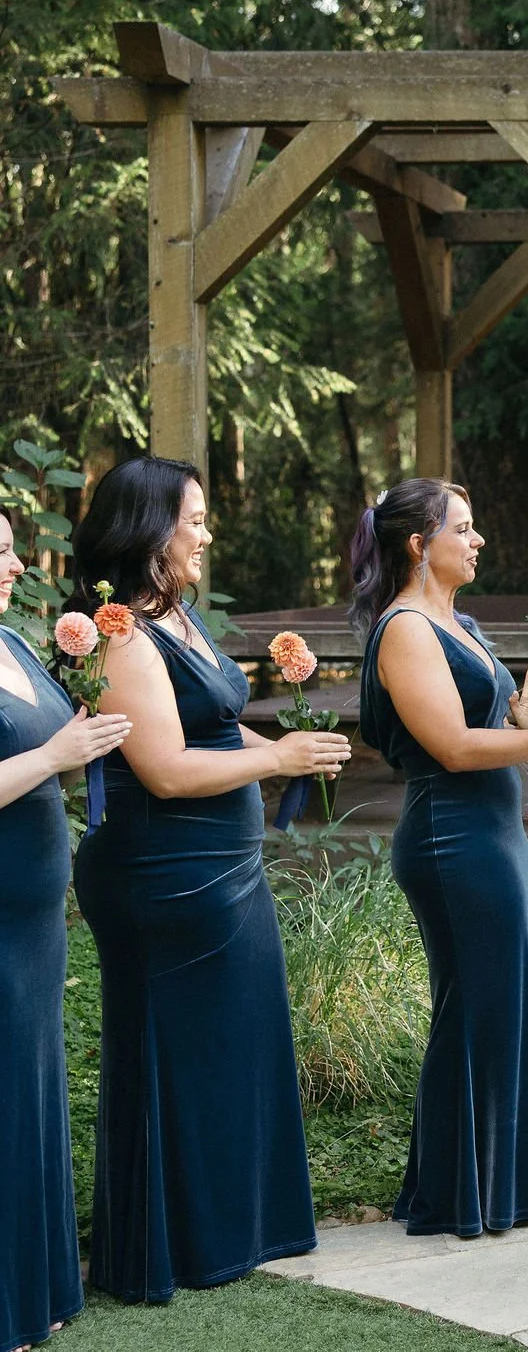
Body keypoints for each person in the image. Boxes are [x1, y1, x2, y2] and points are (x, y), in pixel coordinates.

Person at [72, 457, 350, 1302]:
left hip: (223, 866)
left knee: (235, 1042)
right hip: (162, 872)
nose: (205, 532)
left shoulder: (178, 618)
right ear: (149, 528)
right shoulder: (119, 634)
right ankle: (175, 1243)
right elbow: (161, 769)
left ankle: (237, 1226)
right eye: (192, 518)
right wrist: (277, 757)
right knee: (180, 1048)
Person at [351, 480, 528, 1237]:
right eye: (463, 529)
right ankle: (453, 1195)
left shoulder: (455, 619)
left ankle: (488, 1187)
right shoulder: (405, 627)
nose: (477, 541)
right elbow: (454, 747)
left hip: (493, 833)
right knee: (472, 1013)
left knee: (497, 1013)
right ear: (418, 545)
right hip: (450, 837)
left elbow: (492, 725)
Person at [0, 521, 130, 1352]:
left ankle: (38, 1284)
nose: (16, 563)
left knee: (32, 1096)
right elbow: (39, 756)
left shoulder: (10, 639)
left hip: (37, 921)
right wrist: (55, 753)